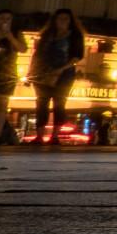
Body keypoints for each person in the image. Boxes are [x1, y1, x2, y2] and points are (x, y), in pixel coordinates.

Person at [28, 8, 85, 145]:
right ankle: (40, 136)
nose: (63, 21)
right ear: (55, 20)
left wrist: (61, 69)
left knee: (59, 104)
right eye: (60, 18)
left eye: (66, 19)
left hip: (64, 75)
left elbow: (77, 56)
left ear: (71, 21)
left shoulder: (75, 36)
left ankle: (54, 136)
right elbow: (37, 54)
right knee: (41, 104)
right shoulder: (47, 35)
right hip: (43, 73)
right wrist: (30, 72)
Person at [0, 10, 28, 146]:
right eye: (2, 18)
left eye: (8, 19)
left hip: (6, 72)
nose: (5, 21)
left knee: (2, 105)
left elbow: (22, 49)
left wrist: (9, 37)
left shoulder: (16, 33)